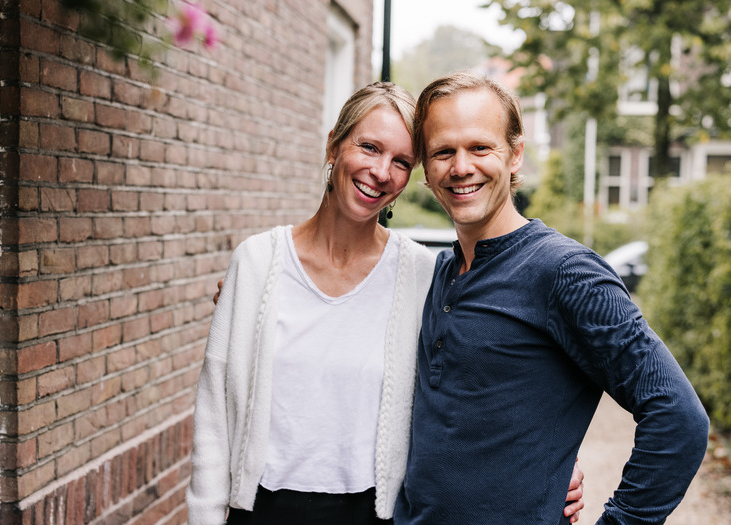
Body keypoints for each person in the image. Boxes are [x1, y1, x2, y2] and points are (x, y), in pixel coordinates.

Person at [186, 82, 585, 525]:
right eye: (369, 147)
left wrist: (536, 468)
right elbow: (213, 413)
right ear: (334, 146)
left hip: (376, 515)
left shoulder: (423, 274)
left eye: (401, 162)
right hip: (260, 511)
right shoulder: (257, 263)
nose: (380, 171)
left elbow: (469, 391)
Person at [394, 71, 710, 524]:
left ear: (515, 154)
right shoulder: (443, 270)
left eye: (480, 147)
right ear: (426, 167)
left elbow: (678, 419)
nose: (460, 167)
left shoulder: (566, 273)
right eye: (443, 151)